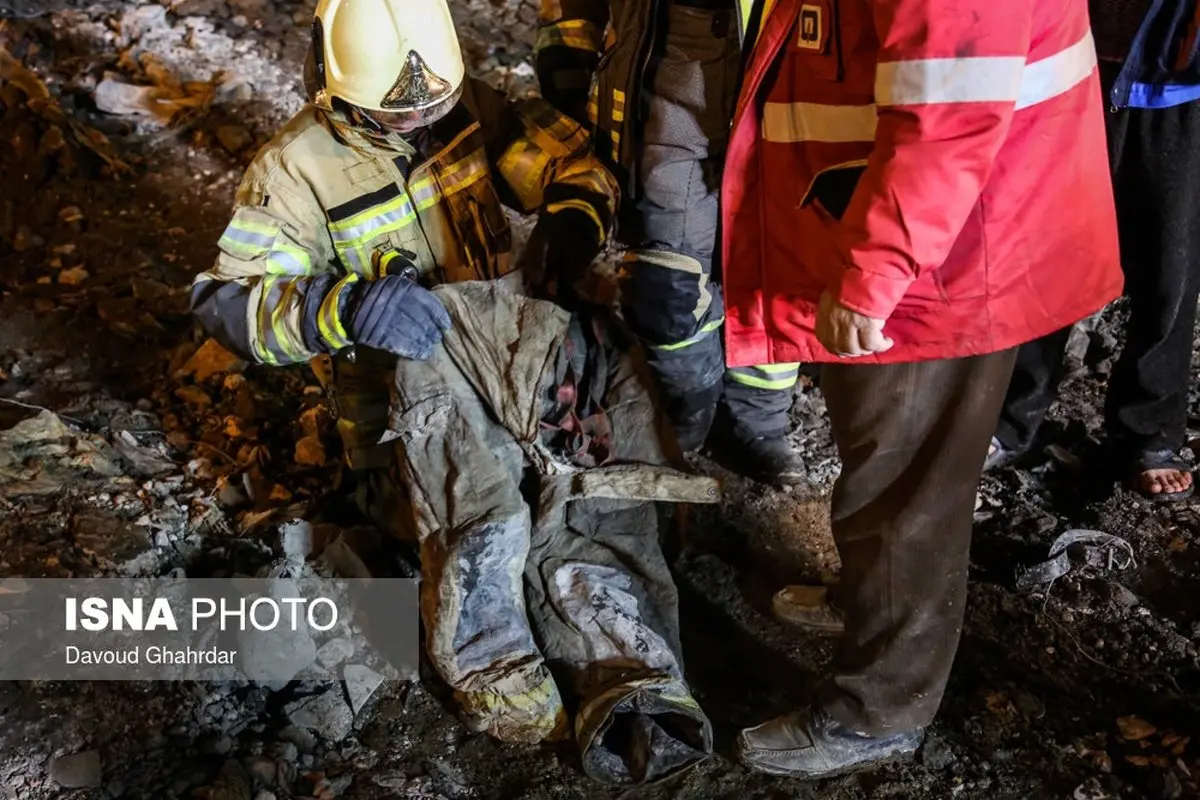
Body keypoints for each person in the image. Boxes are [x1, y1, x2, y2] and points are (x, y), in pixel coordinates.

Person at [189, 0, 713, 784]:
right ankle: (492, 661)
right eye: (400, 114)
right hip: (400, 401)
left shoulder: (468, 109)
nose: (425, 122)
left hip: (503, 356)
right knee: (487, 513)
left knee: (583, 488)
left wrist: (569, 220)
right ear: (340, 93)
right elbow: (225, 303)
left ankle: (626, 666)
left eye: (436, 104)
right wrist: (344, 307)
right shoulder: (295, 168)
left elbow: (575, 164)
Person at [719, 0, 1124, 778]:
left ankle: (878, 708)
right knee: (884, 460)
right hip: (914, 228)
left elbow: (951, 114)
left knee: (905, 486)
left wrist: (876, 275)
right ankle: (874, 603)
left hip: (945, 258)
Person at [534, 0, 807, 486]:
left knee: (773, 270)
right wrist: (568, 59)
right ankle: (688, 419)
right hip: (670, 99)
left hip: (786, 90)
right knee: (667, 288)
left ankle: (755, 422)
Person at [986, 0, 1200, 503]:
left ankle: (1148, 430)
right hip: (1075, 68)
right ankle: (1011, 416)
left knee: (1171, 271)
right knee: (1048, 251)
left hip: (1179, 85)